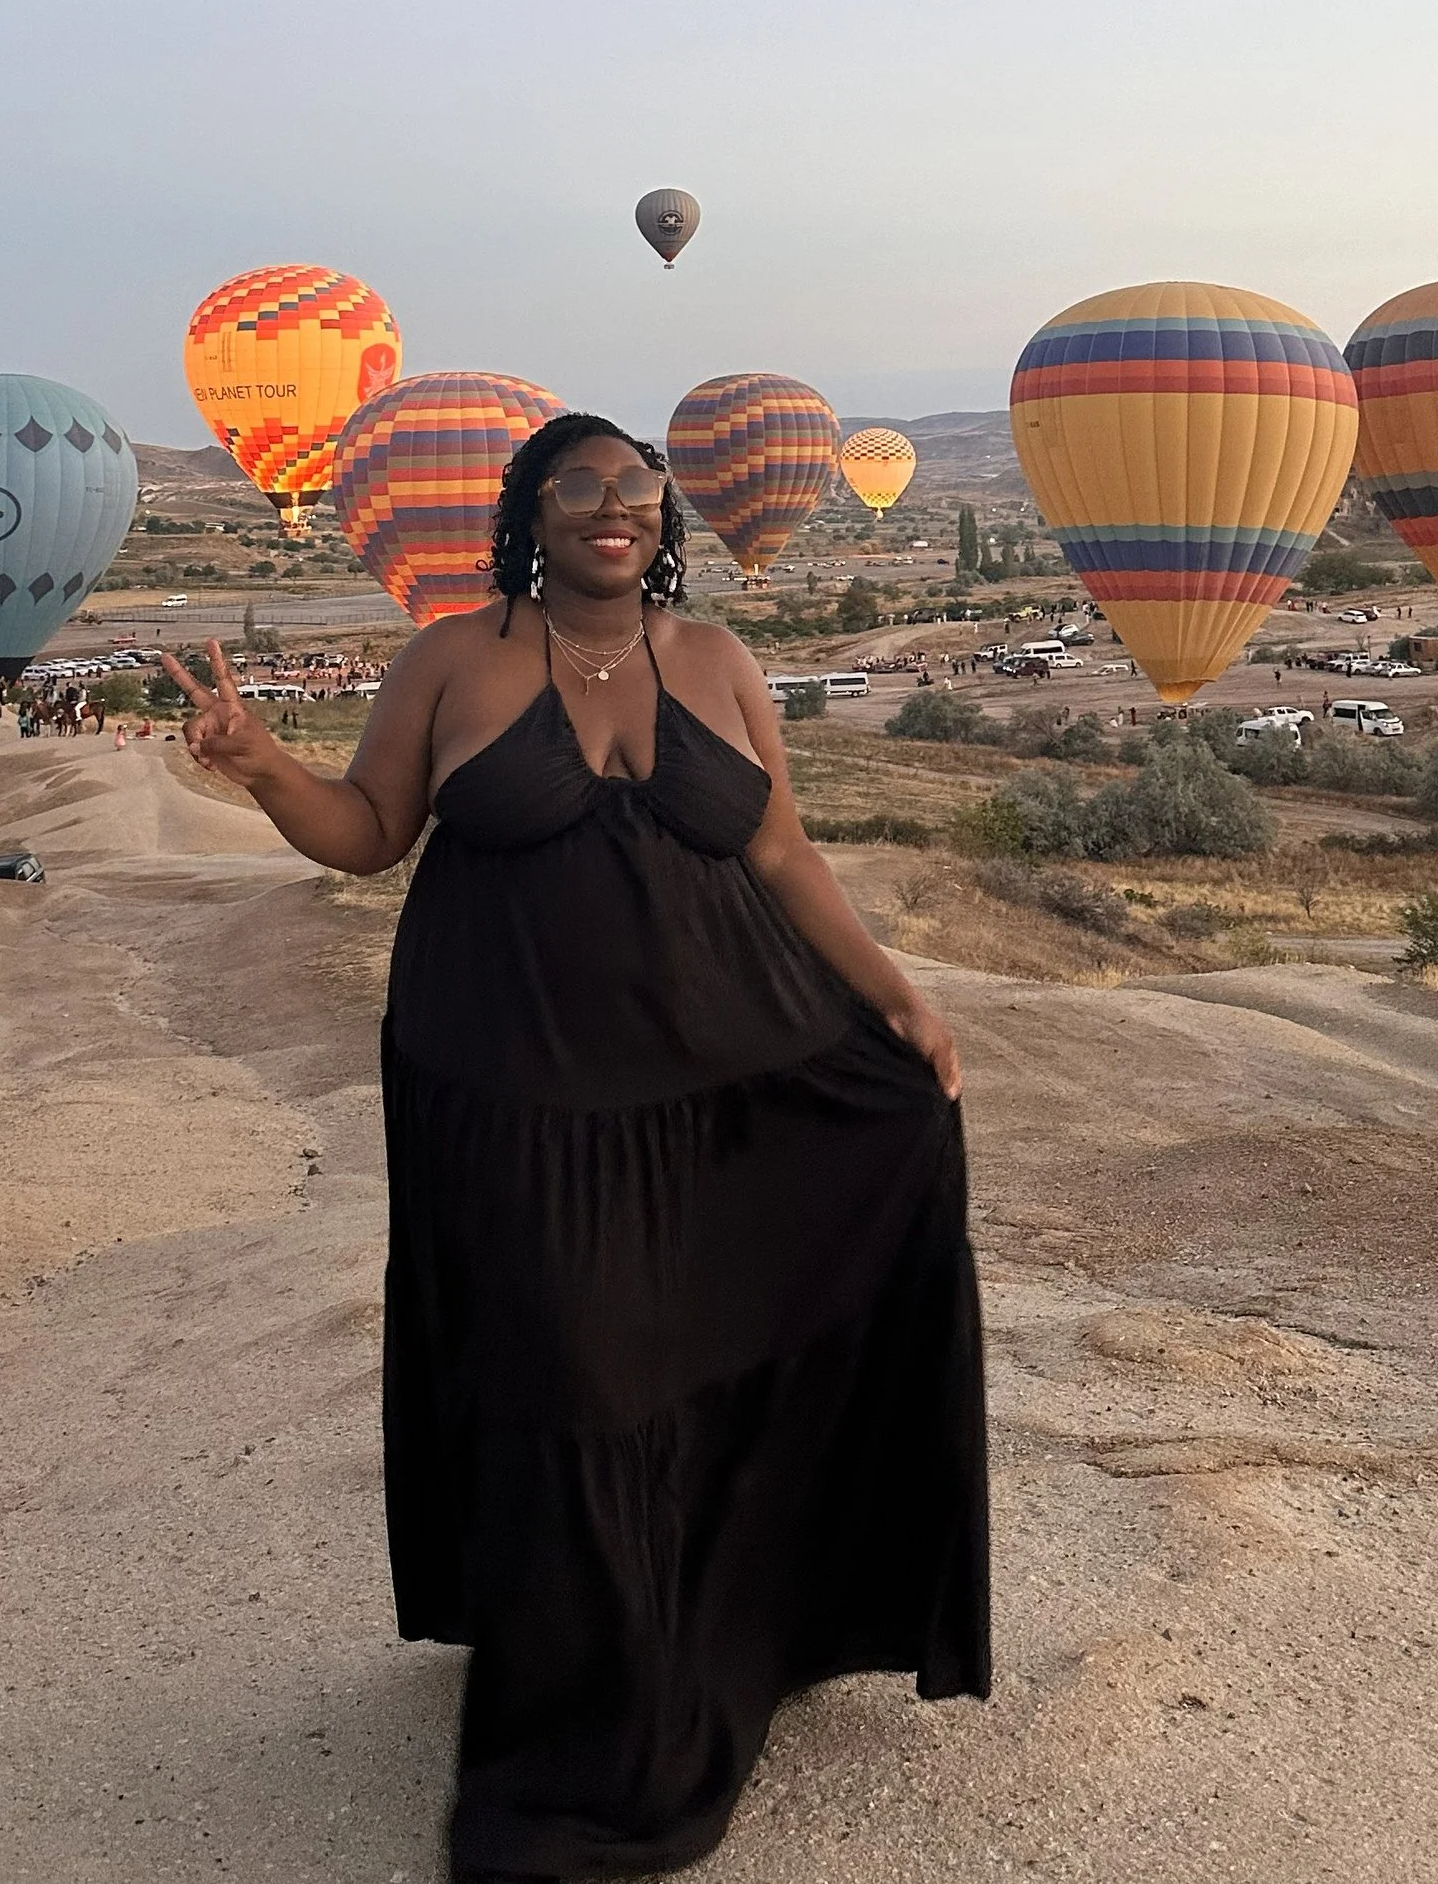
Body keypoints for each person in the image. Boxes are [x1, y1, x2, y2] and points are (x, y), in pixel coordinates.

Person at [168, 413, 986, 1881]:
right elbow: (367, 833)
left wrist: (901, 997)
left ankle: (719, 1632)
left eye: (634, 485)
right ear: (530, 512)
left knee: (691, 1371)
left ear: (666, 511)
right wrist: (260, 764)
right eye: (579, 486)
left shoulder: (721, 660)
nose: (612, 507)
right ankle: (588, 1725)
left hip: (723, 1078)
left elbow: (785, 854)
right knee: (579, 1384)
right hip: (511, 1092)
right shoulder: (452, 658)